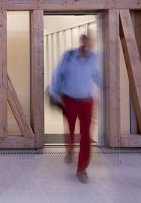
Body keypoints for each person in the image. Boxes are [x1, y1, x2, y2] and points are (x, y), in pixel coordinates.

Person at [49, 34, 101, 183]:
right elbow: (58, 74)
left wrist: (107, 87)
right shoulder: (69, 56)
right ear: (82, 41)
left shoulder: (95, 58)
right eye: (86, 40)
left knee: (86, 135)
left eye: (91, 41)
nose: (89, 43)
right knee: (70, 128)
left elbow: (96, 76)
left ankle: (82, 169)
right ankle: (70, 150)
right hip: (69, 99)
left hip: (87, 101)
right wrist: (54, 92)